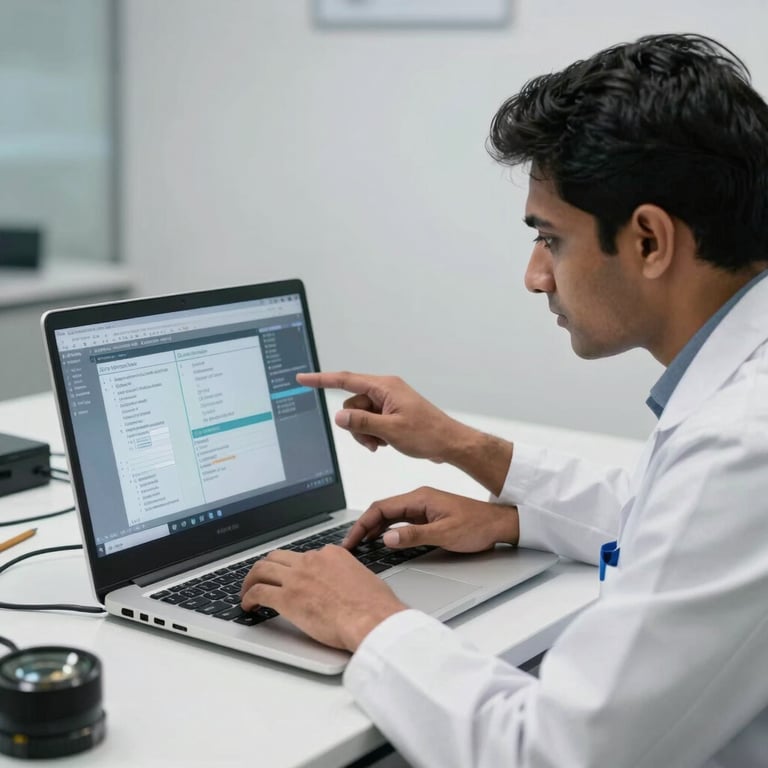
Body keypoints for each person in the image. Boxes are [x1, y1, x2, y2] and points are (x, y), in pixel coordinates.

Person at [240, 34, 768, 767]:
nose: (534, 276)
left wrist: (367, 619)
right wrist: (484, 477)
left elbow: (551, 753)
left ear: (649, 241)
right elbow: (669, 518)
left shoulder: (742, 446)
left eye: (550, 239)